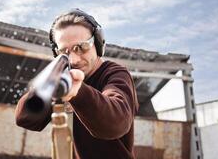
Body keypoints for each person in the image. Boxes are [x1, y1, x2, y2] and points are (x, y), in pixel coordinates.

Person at [15, 9, 139, 159]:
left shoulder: (115, 74)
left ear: (98, 44)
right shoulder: (63, 80)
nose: (73, 60)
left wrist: (78, 92)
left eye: (81, 47)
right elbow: (26, 119)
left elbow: (116, 123)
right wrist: (50, 86)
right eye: (64, 52)